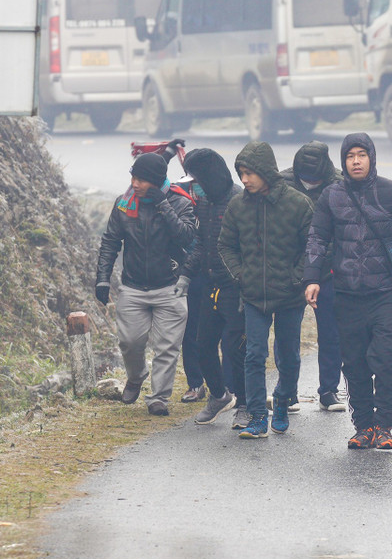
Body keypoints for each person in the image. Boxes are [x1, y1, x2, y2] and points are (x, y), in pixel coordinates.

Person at [304, 132, 392, 451]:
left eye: (362, 154)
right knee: (355, 362)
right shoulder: (331, 196)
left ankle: (384, 426)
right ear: (343, 161)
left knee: (385, 359)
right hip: (347, 293)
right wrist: (312, 278)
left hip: (386, 291)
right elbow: (318, 238)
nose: (356, 161)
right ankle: (363, 426)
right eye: (350, 156)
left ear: (372, 158)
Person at [218, 142, 313, 439]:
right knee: (254, 355)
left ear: (265, 172)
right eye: (241, 173)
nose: (244, 180)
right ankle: (258, 416)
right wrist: (241, 276)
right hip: (253, 296)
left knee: (288, 356)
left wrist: (297, 278)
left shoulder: (298, 204)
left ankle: (283, 400)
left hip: (290, 296)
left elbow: (314, 247)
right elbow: (226, 245)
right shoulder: (238, 206)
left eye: (249, 173)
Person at [95, 151, 196, 416]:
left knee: (167, 347)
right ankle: (137, 375)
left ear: (155, 181)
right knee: (130, 342)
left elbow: (186, 237)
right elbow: (110, 242)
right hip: (133, 287)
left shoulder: (180, 202)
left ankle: (159, 397)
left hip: (170, 287)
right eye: (133, 177)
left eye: (140, 179)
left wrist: (163, 205)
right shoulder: (124, 203)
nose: (134, 184)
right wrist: (103, 278)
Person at [181, 148, 247, 427]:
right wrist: (186, 275)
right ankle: (219, 395)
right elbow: (201, 243)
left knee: (236, 348)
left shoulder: (240, 200)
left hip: (237, 288)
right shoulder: (204, 202)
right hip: (211, 285)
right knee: (203, 345)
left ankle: (244, 404)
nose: (194, 183)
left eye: (197, 177)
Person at [280, 142, 346, 412]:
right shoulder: (282, 182)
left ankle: (329, 391)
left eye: (314, 179)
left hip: (328, 270)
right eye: (304, 179)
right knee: (287, 335)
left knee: (331, 333)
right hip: (289, 269)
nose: (309, 183)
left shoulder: (340, 184)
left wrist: (320, 267)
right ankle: (287, 392)